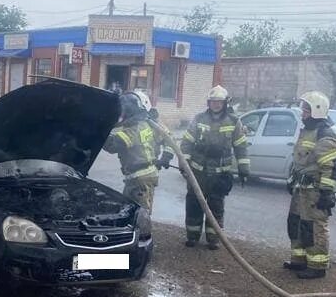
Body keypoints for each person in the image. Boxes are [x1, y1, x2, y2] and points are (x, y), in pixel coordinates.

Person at [180, 85, 249, 250]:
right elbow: (187, 142)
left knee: (216, 206)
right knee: (194, 203)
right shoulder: (199, 119)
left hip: (220, 174)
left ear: (225, 103)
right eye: (213, 102)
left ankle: (213, 239)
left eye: (219, 102)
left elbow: (241, 146)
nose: (215, 105)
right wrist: (185, 164)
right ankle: (192, 236)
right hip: (198, 171)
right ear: (208, 103)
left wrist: (243, 168)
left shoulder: (233, 121)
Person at [285, 91, 336, 279]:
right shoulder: (307, 131)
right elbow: (301, 161)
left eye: (306, 109)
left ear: (317, 110)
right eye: (303, 109)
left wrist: (326, 192)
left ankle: (317, 266)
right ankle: (299, 261)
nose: (303, 112)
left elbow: (332, 167)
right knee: (296, 223)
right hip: (301, 189)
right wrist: (292, 180)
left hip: (315, 192)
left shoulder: (324, 135)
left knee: (314, 227)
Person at [102, 90, 174, 212]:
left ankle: (143, 231)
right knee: (130, 211)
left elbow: (112, 145)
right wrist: (166, 156)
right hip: (140, 176)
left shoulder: (135, 129)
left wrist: (99, 130)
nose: (125, 112)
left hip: (140, 178)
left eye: (128, 109)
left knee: (140, 215)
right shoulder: (148, 124)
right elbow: (169, 137)